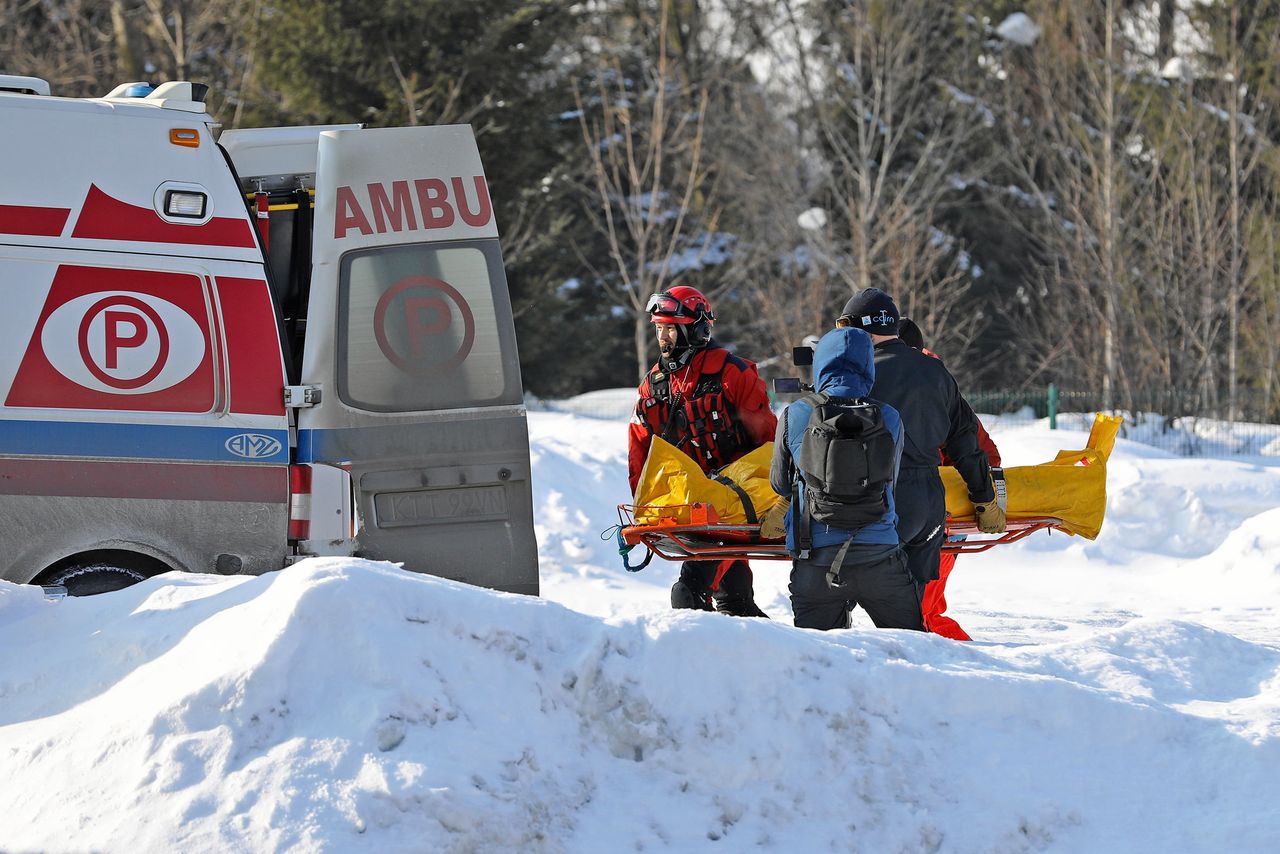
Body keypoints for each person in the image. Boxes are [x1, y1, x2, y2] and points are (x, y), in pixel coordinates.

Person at [837, 289, 1006, 602]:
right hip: (929, 505)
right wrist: (984, 498)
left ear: (860, 328)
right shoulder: (936, 372)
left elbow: (826, 445)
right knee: (910, 608)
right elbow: (966, 442)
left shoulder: (856, 376)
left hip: (878, 501)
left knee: (836, 599)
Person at [628, 286, 777, 617]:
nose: (663, 337)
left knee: (688, 593)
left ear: (697, 330)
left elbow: (768, 444)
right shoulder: (653, 385)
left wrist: (773, 499)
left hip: (734, 504)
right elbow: (641, 451)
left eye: (670, 328)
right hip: (691, 503)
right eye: (659, 328)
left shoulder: (733, 374)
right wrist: (644, 507)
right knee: (735, 600)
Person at [765, 326, 924, 631]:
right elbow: (890, 479)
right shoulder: (888, 416)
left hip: (816, 561)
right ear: (868, 365)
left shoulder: (795, 413)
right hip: (881, 558)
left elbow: (780, 484)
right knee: (911, 656)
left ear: (821, 363)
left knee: (819, 664)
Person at [898, 317, 1001, 640]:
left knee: (921, 612)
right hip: (915, 511)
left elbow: (982, 453)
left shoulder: (930, 385)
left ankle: (959, 669)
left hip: (943, 516)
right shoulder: (928, 380)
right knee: (916, 609)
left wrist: (976, 497)